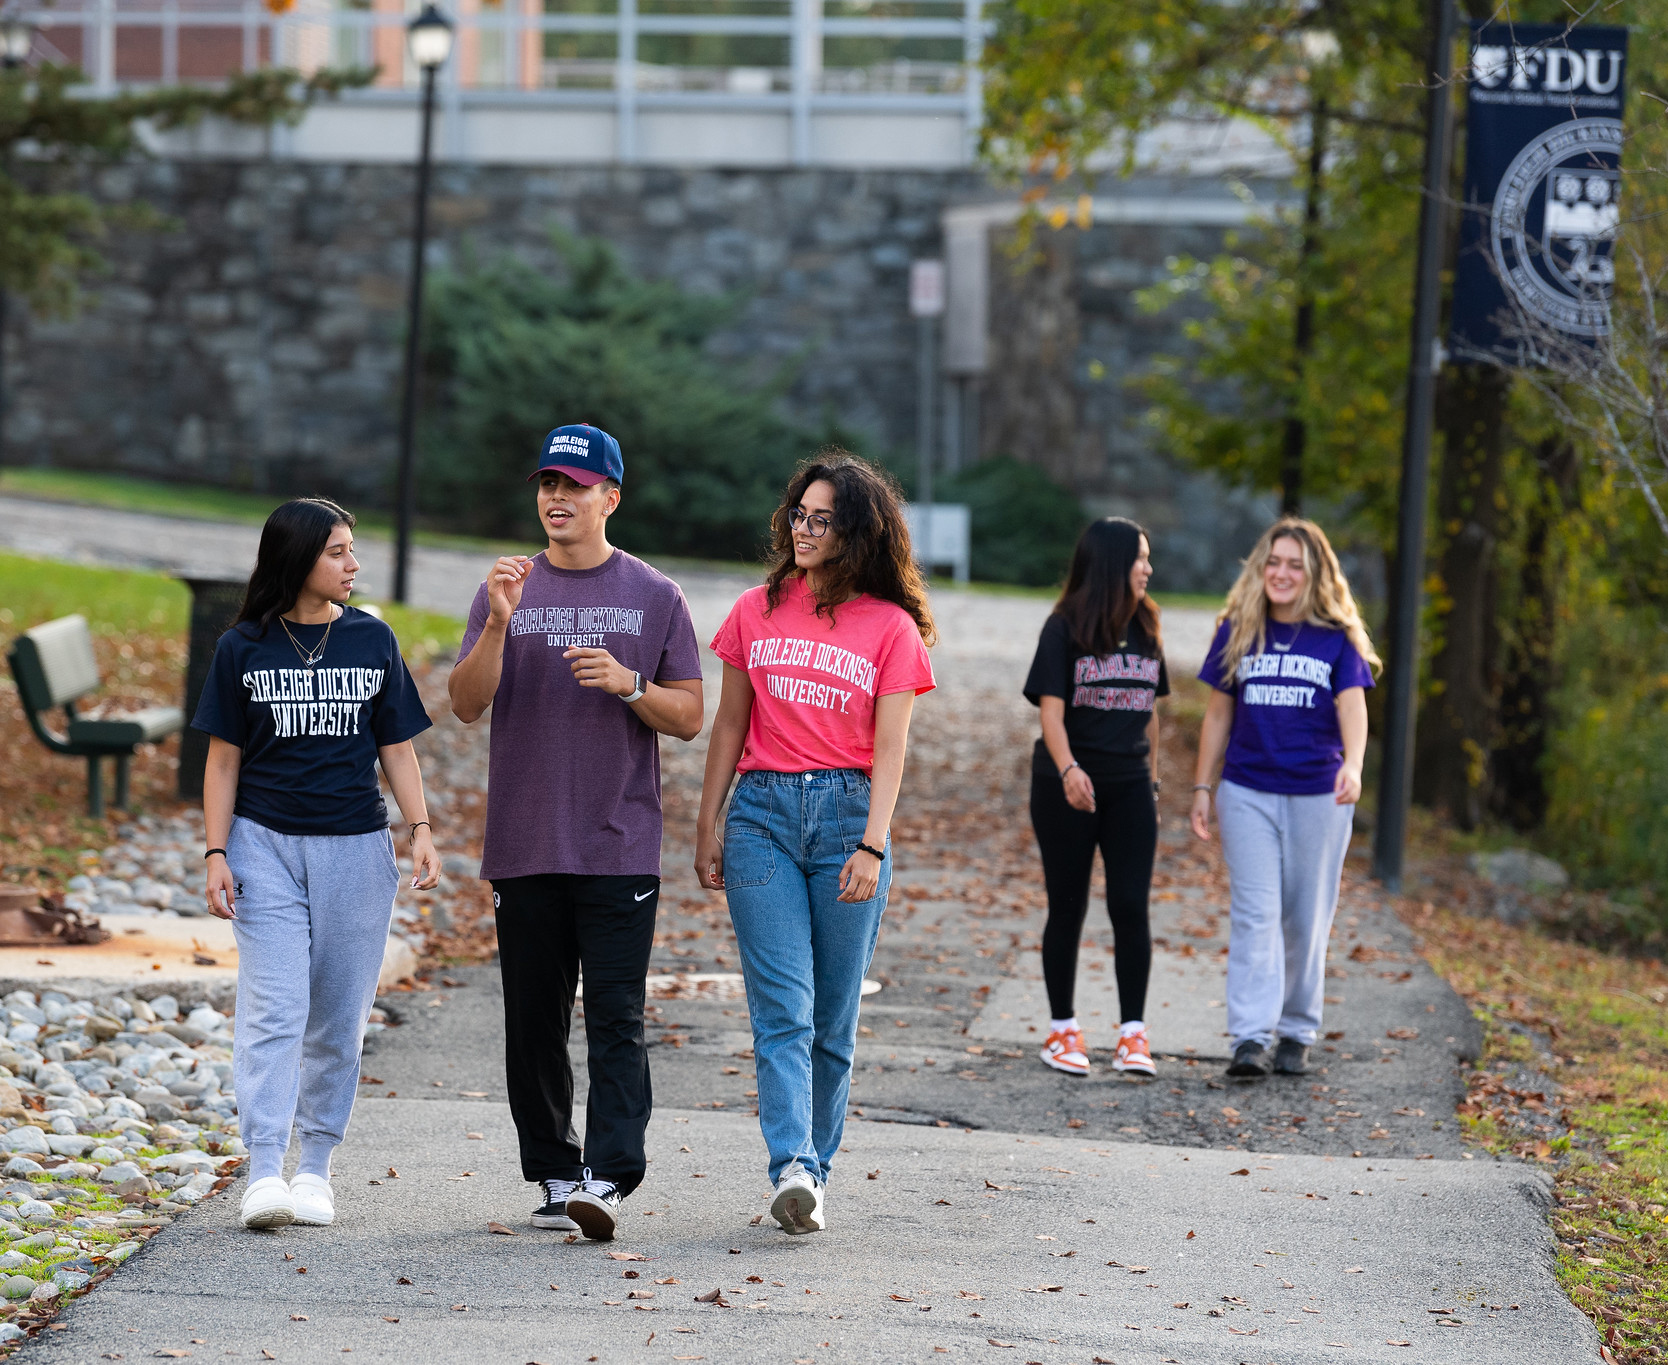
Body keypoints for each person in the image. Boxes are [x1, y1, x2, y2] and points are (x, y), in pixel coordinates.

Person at [448, 423, 703, 1242]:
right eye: (548, 483)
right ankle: (556, 1171)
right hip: (524, 840)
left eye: (576, 485)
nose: (557, 497)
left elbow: (692, 716)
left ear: (610, 498)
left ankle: (608, 1175)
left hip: (616, 839)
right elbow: (463, 702)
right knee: (534, 1018)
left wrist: (631, 684)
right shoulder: (509, 587)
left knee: (617, 1017)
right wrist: (495, 623)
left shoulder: (655, 595)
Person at [695, 452, 935, 1237]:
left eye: (822, 517)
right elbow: (730, 723)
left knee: (833, 1019)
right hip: (761, 815)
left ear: (855, 529)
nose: (803, 528)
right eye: (799, 513)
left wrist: (872, 844)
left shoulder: (891, 627)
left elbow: (892, 748)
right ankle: (792, 1164)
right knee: (782, 1010)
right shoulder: (755, 609)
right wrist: (708, 819)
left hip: (847, 820)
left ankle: (816, 1172)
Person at [195, 498, 440, 1232]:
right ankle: (265, 1166)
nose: (353, 563)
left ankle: (316, 1166)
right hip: (262, 845)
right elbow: (221, 761)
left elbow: (397, 746)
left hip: (356, 851)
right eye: (338, 551)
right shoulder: (243, 645)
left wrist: (420, 827)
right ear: (298, 557)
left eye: (352, 549)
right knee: (274, 1010)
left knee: (338, 1018)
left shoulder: (373, 639)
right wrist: (215, 852)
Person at [1190, 518, 1379, 1080]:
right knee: (1255, 912)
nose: (1282, 573)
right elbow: (1218, 712)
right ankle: (1250, 1036)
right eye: (1274, 561)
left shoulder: (1336, 639)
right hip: (1247, 790)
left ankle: (1296, 1029)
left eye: (1295, 564)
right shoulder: (1237, 630)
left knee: (1305, 918)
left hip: (1318, 796)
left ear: (1314, 573)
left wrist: (1354, 765)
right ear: (1260, 567)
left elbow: (1353, 708)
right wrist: (1202, 787)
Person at [1023, 517, 1168, 1079]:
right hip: (1066, 784)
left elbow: (1152, 715)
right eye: (1140, 559)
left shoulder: (1148, 625)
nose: (1148, 569)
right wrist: (1069, 771)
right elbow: (1050, 714)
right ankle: (1062, 1031)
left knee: (1131, 906)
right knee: (1069, 906)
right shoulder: (1063, 628)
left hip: (1131, 785)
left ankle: (1133, 1035)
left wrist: (1152, 783)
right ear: (1112, 564)